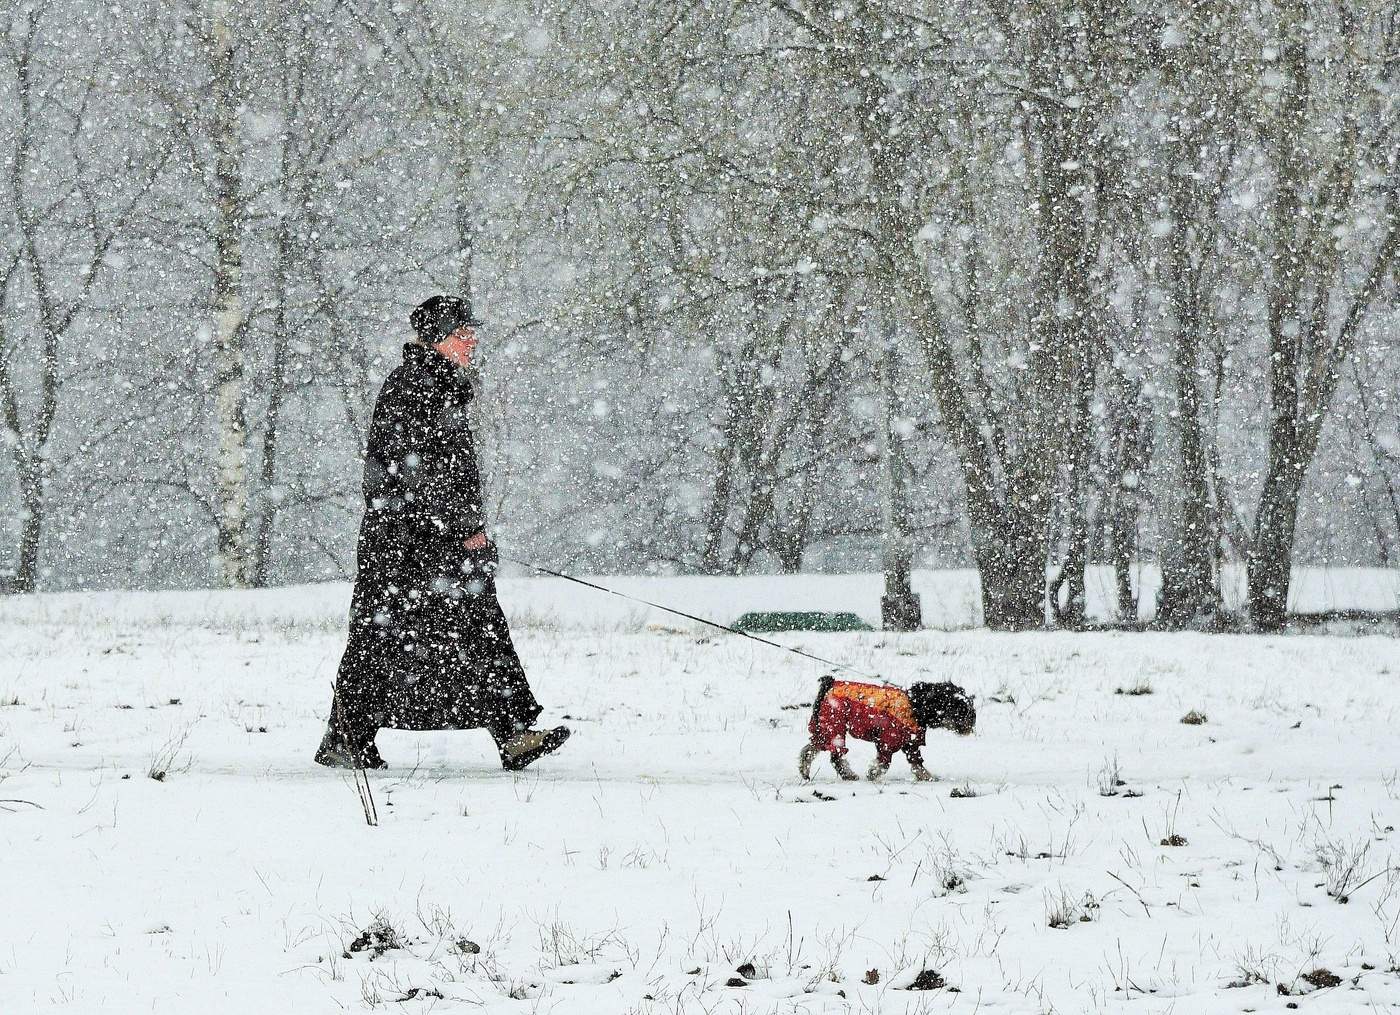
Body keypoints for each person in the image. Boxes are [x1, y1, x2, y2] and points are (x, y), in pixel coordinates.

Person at [316, 295, 569, 771]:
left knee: (465, 629)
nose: (471, 341)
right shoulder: (416, 387)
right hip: (407, 544)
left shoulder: (437, 385)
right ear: (436, 340)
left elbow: (437, 472)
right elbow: (422, 474)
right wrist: (466, 527)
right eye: (461, 334)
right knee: (390, 635)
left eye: (471, 333)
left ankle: (512, 732)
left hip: (423, 539)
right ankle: (348, 737)